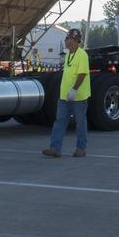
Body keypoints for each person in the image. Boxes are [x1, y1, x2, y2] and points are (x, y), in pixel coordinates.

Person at [43, 28, 90, 158]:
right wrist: (66, 92)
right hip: (64, 96)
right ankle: (55, 148)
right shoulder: (69, 54)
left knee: (80, 123)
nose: (67, 42)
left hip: (78, 97)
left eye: (69, 39)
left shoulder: (82, 55)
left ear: (76, 41)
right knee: (60, 121)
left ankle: (81, 148)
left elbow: (82, 74)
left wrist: (74, 90)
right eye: (66, 39)